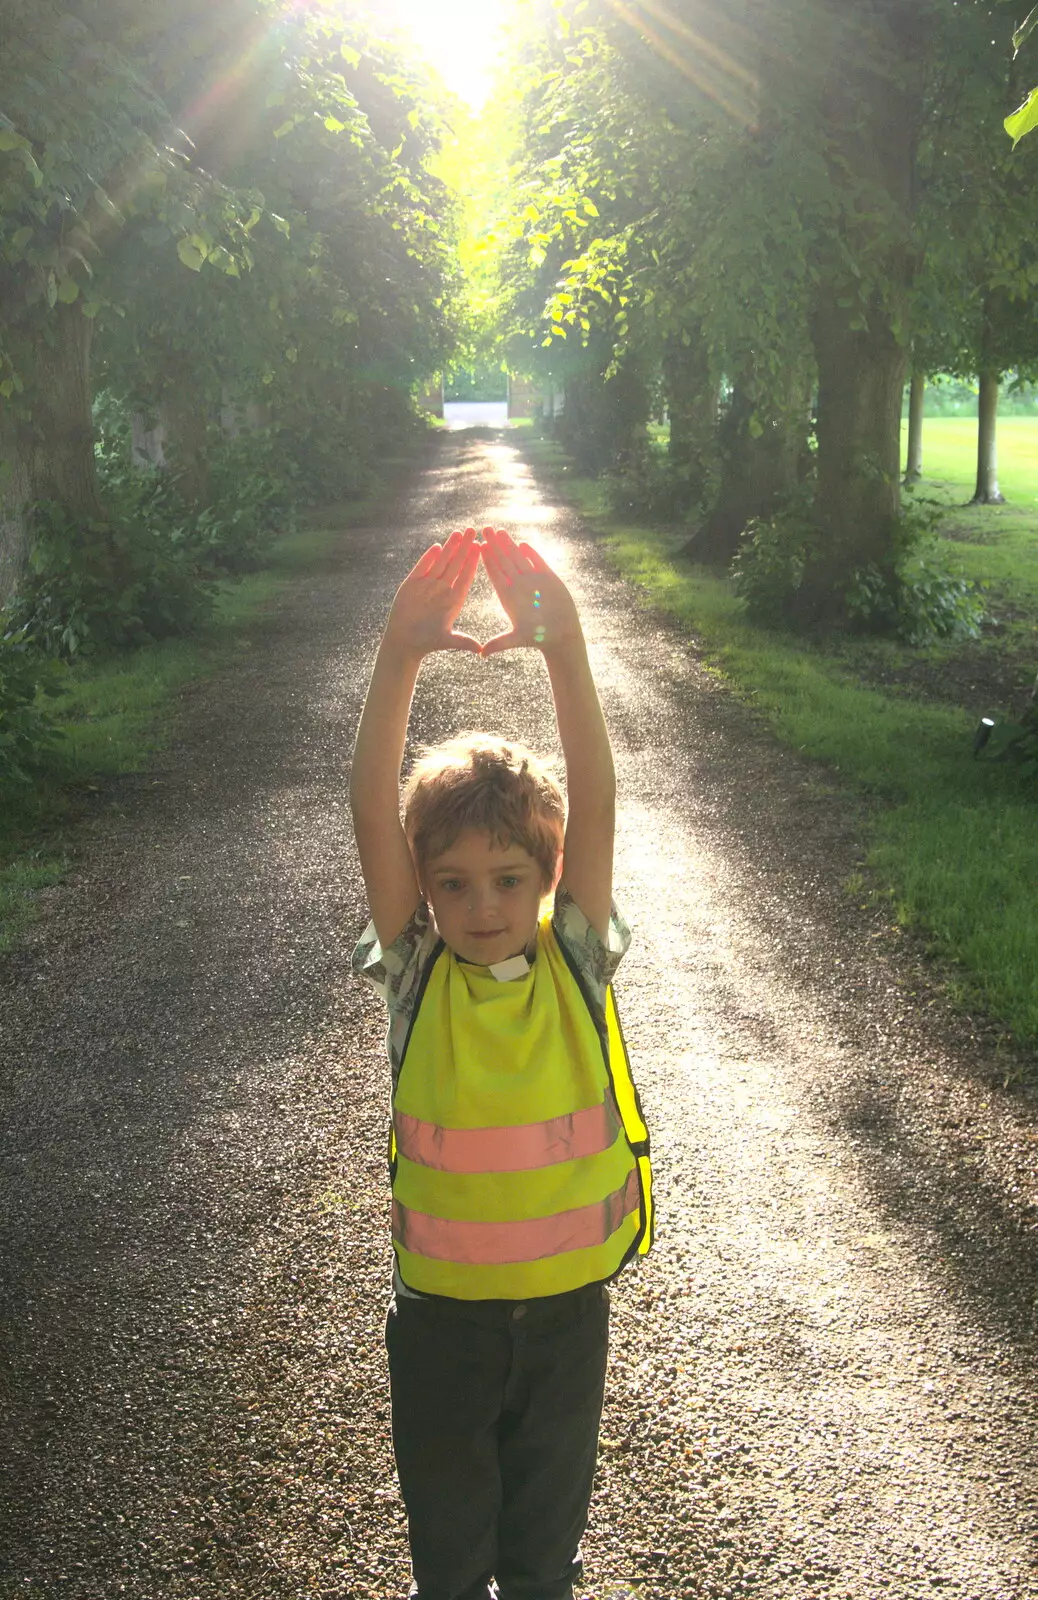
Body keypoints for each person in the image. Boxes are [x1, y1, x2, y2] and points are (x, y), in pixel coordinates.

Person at [349, 524, 654, 1600]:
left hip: (570, 1318)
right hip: (441, 1325)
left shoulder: (575, 956)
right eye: (456, 882)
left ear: (551, 874)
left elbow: (598, 794)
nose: (484, 906)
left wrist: (563, 646)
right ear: (425, 887)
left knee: (539, 1564)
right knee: (449, 1563)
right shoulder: (416, 977)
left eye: (511, 878)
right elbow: (369, 807)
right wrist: (401, 654)